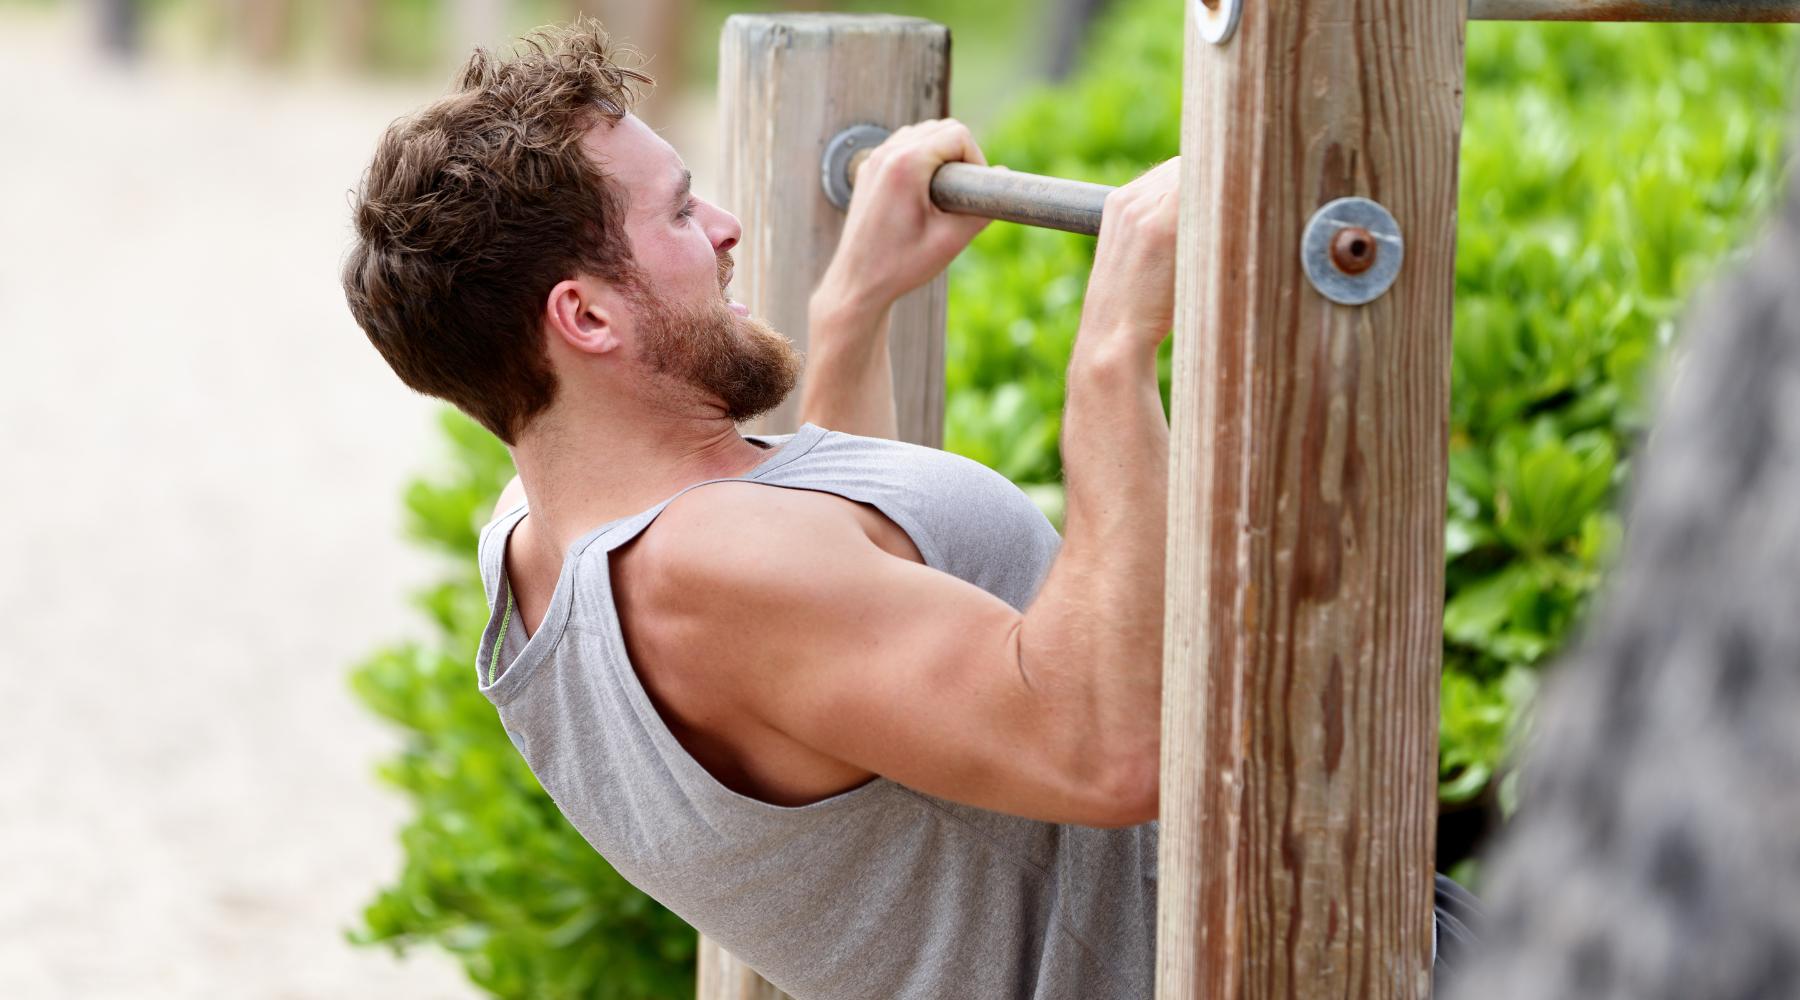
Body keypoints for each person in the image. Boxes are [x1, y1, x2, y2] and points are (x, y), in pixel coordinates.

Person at [342, 18, 1471, 998]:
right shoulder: (702, 572)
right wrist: (1116, 346)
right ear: (585, 318)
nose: (729, 226)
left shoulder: (542, 537)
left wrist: (856, 310)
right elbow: (1103, 750)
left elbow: (848, 632)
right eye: (682, 214)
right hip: (1292, 959)